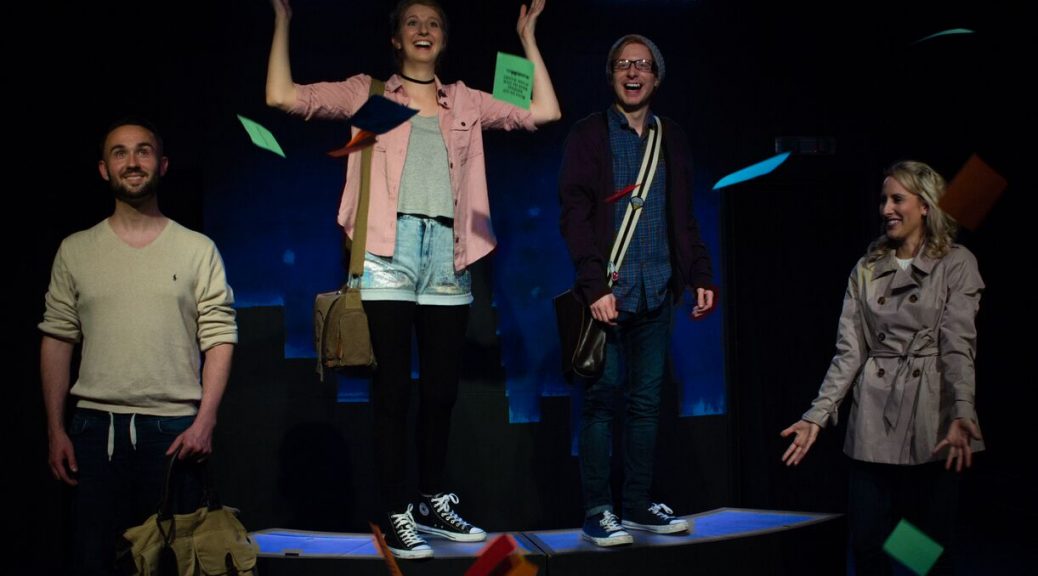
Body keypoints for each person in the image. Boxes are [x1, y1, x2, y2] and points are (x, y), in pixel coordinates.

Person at [265, 0, 560, 559]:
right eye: (412, 23)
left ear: (444, 39)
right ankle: (395, 509)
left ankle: (429, 501)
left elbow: (544, 111)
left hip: (448, 254)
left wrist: (528, 37)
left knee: (442, 393)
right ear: (396, 39)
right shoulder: (370, 94)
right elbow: (282, 97)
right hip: (387, 252)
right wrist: (283, 22)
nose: (424, 30)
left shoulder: (466, 100)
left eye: (434, 23)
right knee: (394, 391)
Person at [40, 118, 238, 576]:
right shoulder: (76, 249)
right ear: (103, 169)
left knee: (173, 566)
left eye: (143, 151)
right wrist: (55, 429)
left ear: (162, 164)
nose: (132, 162)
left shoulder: (197, 248)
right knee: (92, 561)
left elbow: (219, 336)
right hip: (94, 433)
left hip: (173, 434)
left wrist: (206, 420)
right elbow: (57, 338)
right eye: (120, 152)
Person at [780, 160, 984, 575]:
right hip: (875, 416)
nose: (886, 209)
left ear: (925, 205)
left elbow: (958, 344)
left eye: (897, 199)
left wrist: (962, 410)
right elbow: (849, 352)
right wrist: (816, 415)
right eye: (883, 200)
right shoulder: (867, 268)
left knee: (929, 547)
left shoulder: (956, 262)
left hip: (932, 413)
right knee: (868, 538)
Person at [558, 34, 715, 547]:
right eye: (623, 64)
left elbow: (684, 215)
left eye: (642, 65)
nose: (632, 72)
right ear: (611, 75)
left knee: (646, 405)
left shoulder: (672, 137)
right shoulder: (589, 135)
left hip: (657, 290)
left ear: (656, 76)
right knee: (600, 405)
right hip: (607, 295)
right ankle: (598, 511)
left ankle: (638, 504)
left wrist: (700, 274)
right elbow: (575, 217)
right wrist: (594, 285)